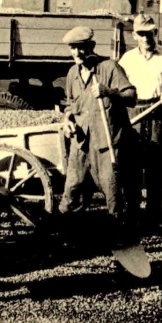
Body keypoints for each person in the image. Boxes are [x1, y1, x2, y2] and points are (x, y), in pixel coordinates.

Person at [57, 26, 140, 243]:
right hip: (81, 145)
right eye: (72, 49)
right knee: (72, 193)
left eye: (80, 48)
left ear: (91, 47)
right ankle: (69, 241)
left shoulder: (109, 67)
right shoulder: (72, 73)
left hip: (108, 145)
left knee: (113, 197)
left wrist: (109, 92)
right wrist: (67, 122)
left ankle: (122, 245)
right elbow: (69, 107)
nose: (76, 53)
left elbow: (131, 96)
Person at [118, 14, 162, 233]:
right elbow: (119, 88)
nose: (147, 38)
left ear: (156, 32)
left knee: (155, 169)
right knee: (132, 169)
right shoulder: (126, 59)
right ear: (134, 35)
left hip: (157, 114)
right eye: (142, 34)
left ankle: (154, 218)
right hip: (133, 114)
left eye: (151, 33)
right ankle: (132, 217)